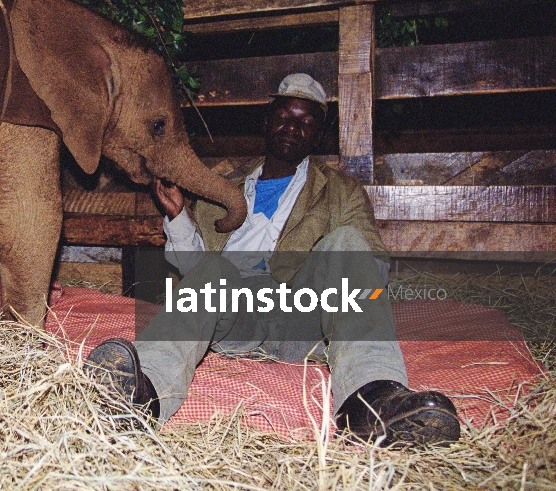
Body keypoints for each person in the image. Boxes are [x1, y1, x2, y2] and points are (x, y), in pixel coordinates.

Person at [84, 73, 460, 446]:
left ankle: (372, 404)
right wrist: (179, 218)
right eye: (284, 116)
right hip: (235, 317)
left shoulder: (340, 190)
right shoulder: (224, 188)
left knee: (348, 240)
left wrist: (330, 273)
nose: (292, 127)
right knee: (215, 267)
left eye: (306, 121)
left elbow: (370, 267)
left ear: (318, 135)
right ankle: (139, 396)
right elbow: (196, 274)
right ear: (266, 122)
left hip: (306, 314)